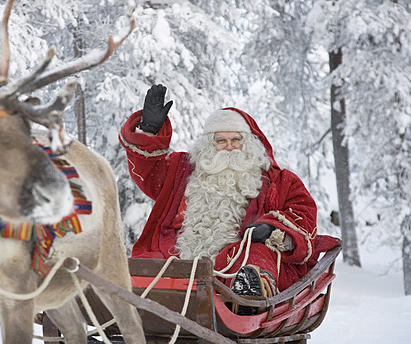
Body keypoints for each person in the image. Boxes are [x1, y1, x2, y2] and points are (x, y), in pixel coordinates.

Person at [119, 84, 338, 311]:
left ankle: (246, 299)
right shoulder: (182, 170)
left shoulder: (280, 181)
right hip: (177, 256)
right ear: (208, 146)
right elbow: (149, 174)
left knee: (257, 254)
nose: (229, 147)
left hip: (238, 261)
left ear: (250, 143)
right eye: (220, 141)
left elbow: (303, 216)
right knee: (146, 263)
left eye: (236, 140)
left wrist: (272, 229)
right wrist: (148, 131)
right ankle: (130, 304)